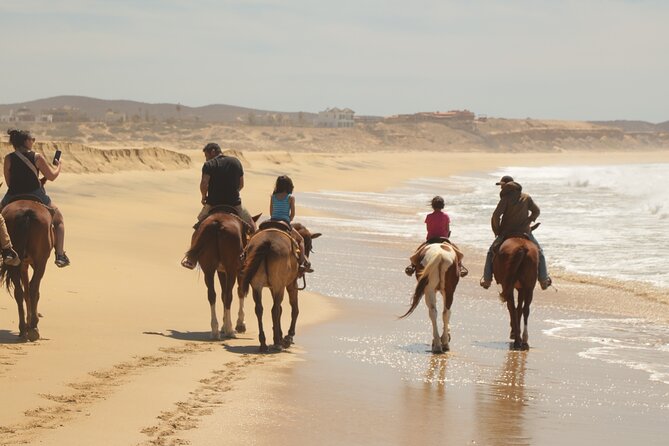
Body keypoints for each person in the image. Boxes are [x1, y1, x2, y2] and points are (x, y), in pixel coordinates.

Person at [2, 129, 70, 267]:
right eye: (32, 139)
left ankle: (4, 249)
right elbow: (51, 176)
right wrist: (59, 166)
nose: (33, 141)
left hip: (13, 194)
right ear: (26, 141)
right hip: (35, 193)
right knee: (59, 220)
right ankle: (60, 254)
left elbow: (9, 182)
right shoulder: (37, 157)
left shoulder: (8, 158)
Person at [181, 143, 254, 269]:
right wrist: (231, 193)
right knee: (252, 227)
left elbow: (204, 183)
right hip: (235, 204)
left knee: (198, 227)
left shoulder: (209, 165)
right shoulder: (236, 162)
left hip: (213, 204)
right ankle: (250, 259)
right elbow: (241, 185)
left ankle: (191, 258)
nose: (206, 159)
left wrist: (204, 197)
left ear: (213, 151)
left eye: (206, 155)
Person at [480, 175, 551, 290]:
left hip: (507, 232)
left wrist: (497, 230)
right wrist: (528, 221)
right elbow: (536, 211)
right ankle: (543, 279)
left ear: (507, 186)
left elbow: (496, 215)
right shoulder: (526, 197)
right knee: (540, 252)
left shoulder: (506, 198)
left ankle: (487, 279)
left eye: (502, 185)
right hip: (525, 232)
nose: (501, 188)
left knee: (490, 252)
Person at [405, 195, 468, 277]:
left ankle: (412, 266)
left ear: (432, 206)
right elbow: (447, 230)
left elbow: (428, 229)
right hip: (444, 240)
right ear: (443, 206)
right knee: (459, 253)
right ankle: (460, 266)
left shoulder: (429, 216)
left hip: (431, 240)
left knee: (417, 253)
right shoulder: (446, 216)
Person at [268, 175, 313, 274]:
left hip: (272, 222)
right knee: (300, 240)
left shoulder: (273, 196)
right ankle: (301, 263)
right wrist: (287, 220)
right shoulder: (290, 197)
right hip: (285, 223)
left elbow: (271, 212)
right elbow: (292, 215)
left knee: (256, 234)